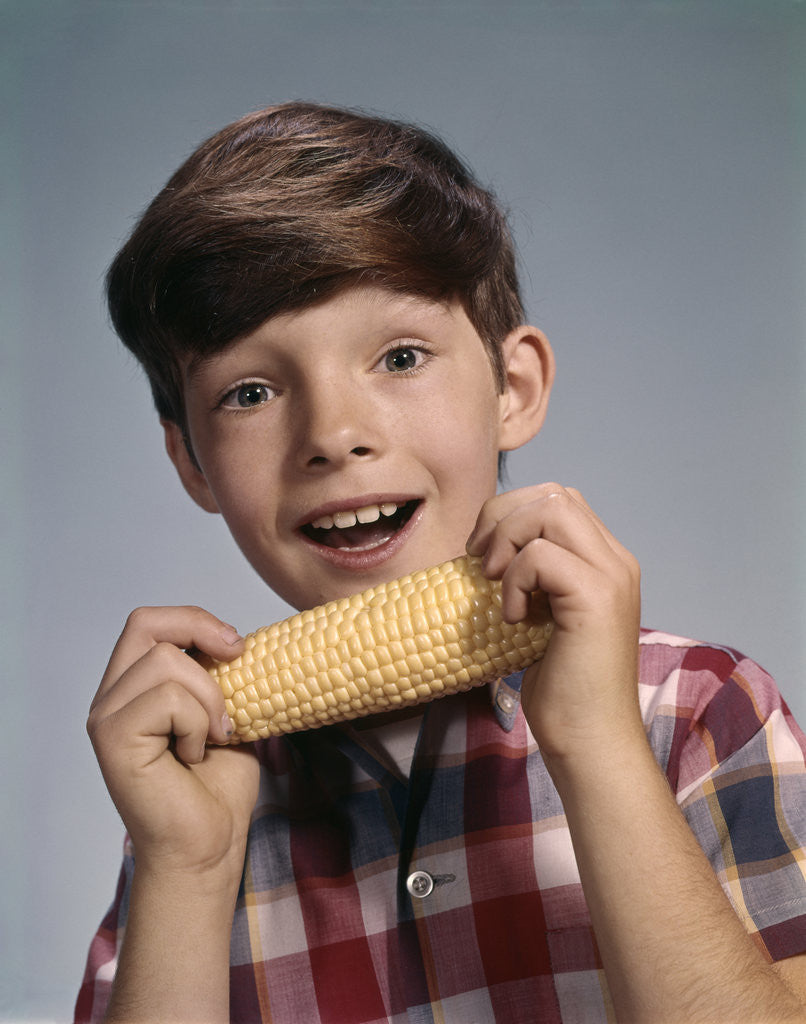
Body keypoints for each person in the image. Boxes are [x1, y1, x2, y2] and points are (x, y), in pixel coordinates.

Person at [75, 102, 806, 1024]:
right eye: (250, 391)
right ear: (191, 463)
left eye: (401, 355)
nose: (334, 435)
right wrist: (187, 872)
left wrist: (599, 749)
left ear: (515, 389)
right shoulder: (191, 809)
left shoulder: (699, 712)